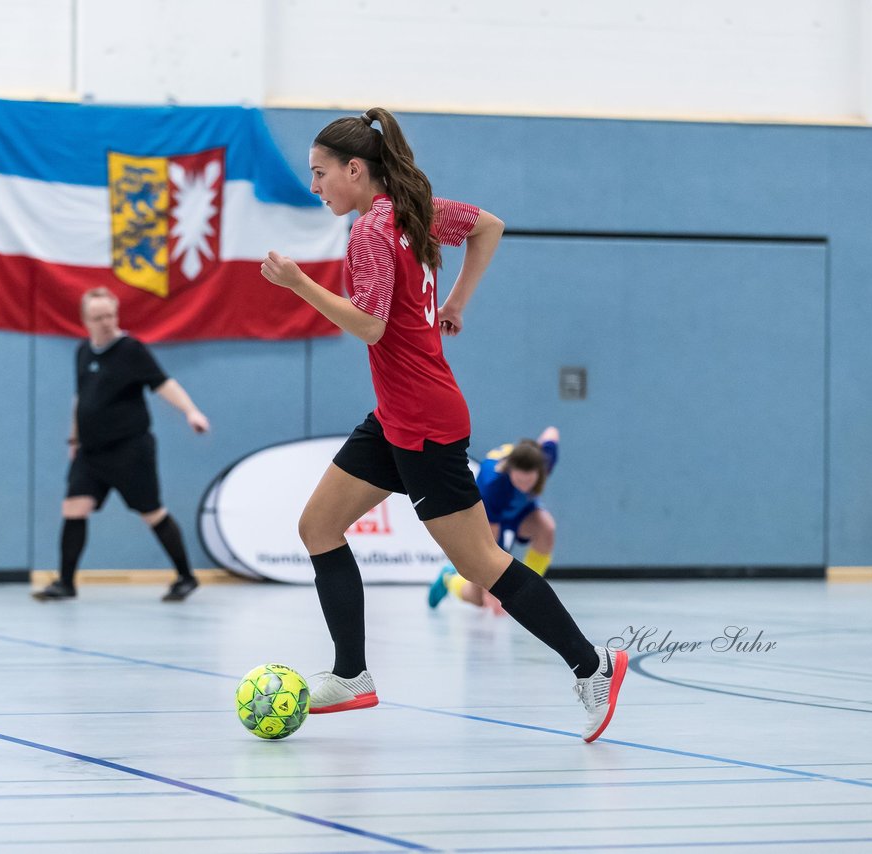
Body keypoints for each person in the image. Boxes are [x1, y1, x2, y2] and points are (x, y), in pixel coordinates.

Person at [260, 108, 626, 743]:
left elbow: (370, 325)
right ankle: (352, 676)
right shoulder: (414, 208)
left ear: (355, 169)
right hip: (398, 414)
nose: (315, 187)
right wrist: (456, 300)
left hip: (424, 422)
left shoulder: (374, 229)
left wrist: (297, 283)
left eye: (320, 174)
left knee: (482, 563)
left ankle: (592, 667)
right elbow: (488, 226)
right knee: (318, 526)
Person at [32, 287, 210, 604]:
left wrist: (190, 411)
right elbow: (81, 398)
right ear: (85, 320)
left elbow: (163, 384)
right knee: (74, 508)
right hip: (90, 452)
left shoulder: (131, 349)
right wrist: (74, 438)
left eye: (111, 315)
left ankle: (186, 576)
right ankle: (66, 582)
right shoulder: (83, 352)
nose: (106, 323)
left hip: (130, 450)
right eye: (98, 317)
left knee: (151, 512)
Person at [429, 427, 560, 611]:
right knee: (478, 598)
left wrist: (536, 447)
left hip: (521, 511)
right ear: (510, 470)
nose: (524, 486)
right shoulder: (493, 485)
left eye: (529, 482)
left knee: (546, 527)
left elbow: (552, 432)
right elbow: (491, 546)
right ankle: (448, 578)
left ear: (539, 472)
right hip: (488, 520)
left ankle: (528, 589)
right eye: (519, 481)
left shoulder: (543, 461)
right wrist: (496, 595)